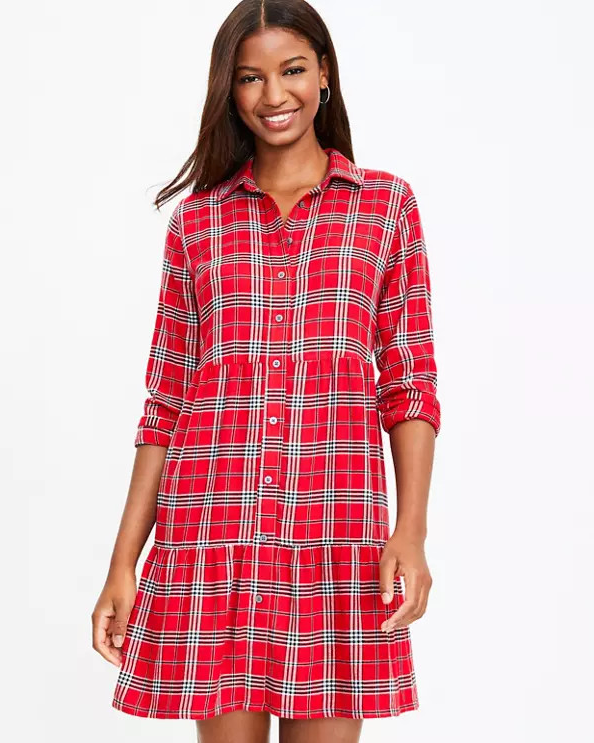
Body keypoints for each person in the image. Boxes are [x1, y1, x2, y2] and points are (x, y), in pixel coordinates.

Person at [92, 1, 441, 741]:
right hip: (212, 536)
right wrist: (124, 562)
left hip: (337, 537)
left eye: (291, 70)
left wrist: (408, 531)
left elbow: (408, 385)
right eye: (250, 77)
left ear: (324, 74)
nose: (272, 94)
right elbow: (166, 402)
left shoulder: (384, 208)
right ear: (230, 88)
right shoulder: (198, 224)